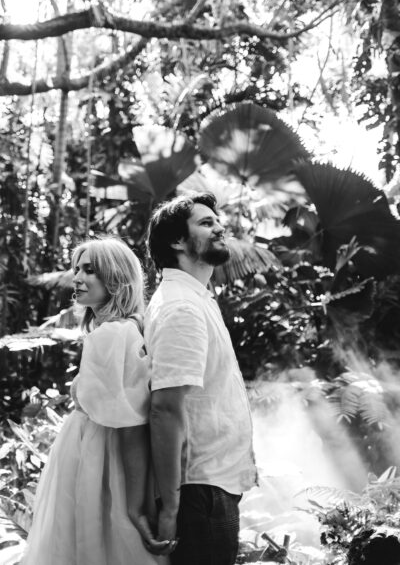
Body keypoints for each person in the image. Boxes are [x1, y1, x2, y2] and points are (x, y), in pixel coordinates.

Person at [23, 238, 170, 565]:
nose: (76, 277)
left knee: (97, 541)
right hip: (102, 454)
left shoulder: (110, 336)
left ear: (115, 279)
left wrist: (134, 507)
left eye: (90, 270)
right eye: (76, 268)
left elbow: (131, 425)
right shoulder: (131, 328)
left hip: (101, 459)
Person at [143, 192, 258, 565]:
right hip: (198, 492)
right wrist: (171, 508)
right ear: (177, 240)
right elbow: (165, 408)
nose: (220, 227)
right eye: (206, 223)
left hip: (211, 485)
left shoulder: (194, 299)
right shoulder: (181, 307)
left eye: (217, 221)